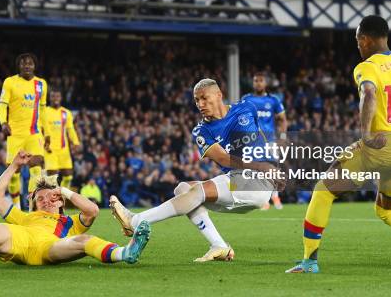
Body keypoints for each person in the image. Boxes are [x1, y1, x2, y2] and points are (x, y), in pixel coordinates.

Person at [286, 15, 391, 274]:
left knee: (322, 190)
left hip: (380, 146)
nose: (358, 45)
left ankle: (309, 261)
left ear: (365, 39)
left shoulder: (366, 67)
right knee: (386, 209)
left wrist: (366, 135)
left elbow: (369, 93)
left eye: (358, 40)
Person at [110, 78, 282, 262]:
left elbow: (262, 137)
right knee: (183, 189)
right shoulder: (201, 131)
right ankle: (219, 246)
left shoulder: (246, 108)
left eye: (204, 98)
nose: (200, 104)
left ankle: (134, 221)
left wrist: (273, 164)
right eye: (196, 100)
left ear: (218, 95)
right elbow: (223, 158)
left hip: (256, 182)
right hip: (239, 180)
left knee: (197, 192)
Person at [0, 150, 151, 267]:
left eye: (51, 197)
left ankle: (126, 253)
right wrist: (14, 165)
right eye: (39, 198)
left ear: (60, 201)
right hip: (21, 239)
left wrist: (63, 191)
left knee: (84, 241)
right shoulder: (25, 217)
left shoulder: (70, 223)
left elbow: (92, 210)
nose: (45, 201)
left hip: (50, 248)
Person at [0, 53, 50, 208]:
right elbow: (2, 105)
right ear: (19, 66)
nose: (27, 66)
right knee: (14, 174)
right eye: (23, 63)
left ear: (35, 66)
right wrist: (3, 123)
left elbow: (43, 110)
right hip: (15, 135)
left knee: (37, 167)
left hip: (34, 134)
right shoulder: (10, 82)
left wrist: (46, 133)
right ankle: (16, 206)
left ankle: (31, 209)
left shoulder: (41, 84)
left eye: (30, 63)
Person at [242, 72, 287, 209]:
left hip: (270, 140)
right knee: (256, 170)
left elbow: (282, 119)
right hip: (253, 141)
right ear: (253, 83)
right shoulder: (246, 99)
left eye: (261, 81)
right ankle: (263, 200)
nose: (258, 83)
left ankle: (275, 198)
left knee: (273, 169)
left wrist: (283, 138)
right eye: (256, 81)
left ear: (265, 83)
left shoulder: (273, 100)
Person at [44, 88, 81, 190]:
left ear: (61, 98)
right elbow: (41, 130)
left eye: (57, 96)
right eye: (53, 96)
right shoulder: (45, 112)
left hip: (64, 150)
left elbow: (70, 129)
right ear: (49, 98)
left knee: (68, 176)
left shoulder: (66, 113)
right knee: (52, 178)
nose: (55, 98)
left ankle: (61, 198)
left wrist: (76, 142)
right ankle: (52, 201)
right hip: (50, 150)